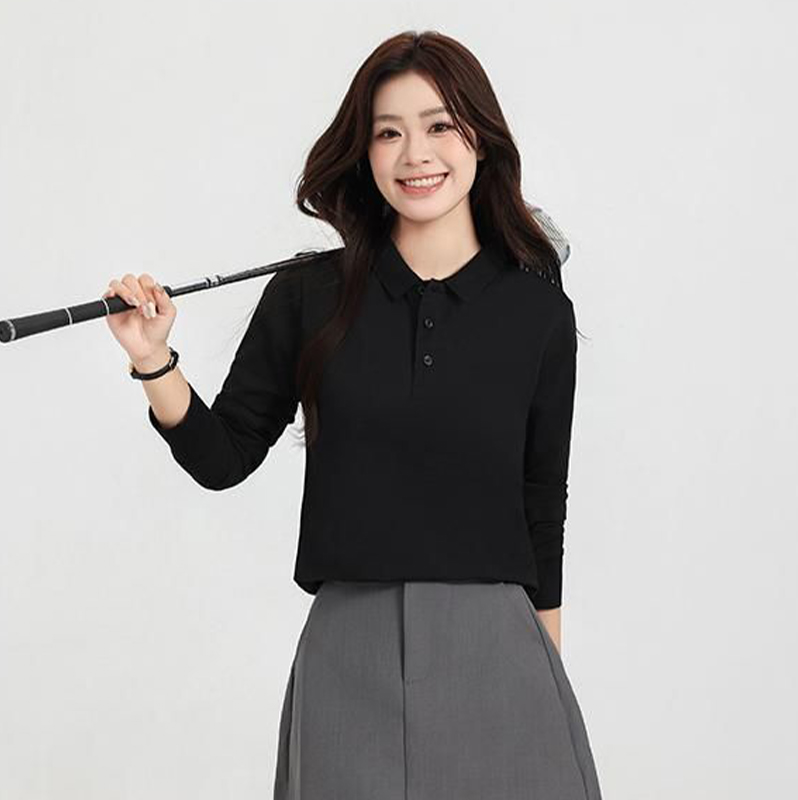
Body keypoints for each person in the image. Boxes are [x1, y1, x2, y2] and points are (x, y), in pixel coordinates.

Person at [102, 29, 602, 800]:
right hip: (348, 651)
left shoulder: (537, 311)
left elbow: (543, 500)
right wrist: (152, 359)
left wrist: (547, 670)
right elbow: (223, 456)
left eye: (439, 125)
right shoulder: (310, 295)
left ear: (481, 138)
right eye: (388, 133)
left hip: (501, 650)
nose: (415, 154)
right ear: (364, 154)